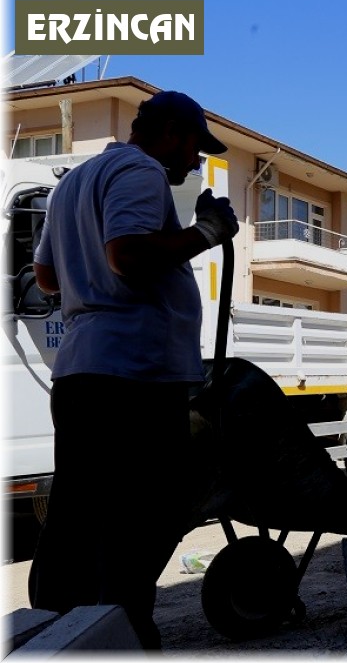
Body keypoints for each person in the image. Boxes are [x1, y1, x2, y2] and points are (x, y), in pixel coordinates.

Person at [28, 90, 239, 649]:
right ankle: (125, 634)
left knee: (78, 509)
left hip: (82, 371)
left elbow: (46, 276)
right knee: (142, 513)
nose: (196, 161)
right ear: (170, 131)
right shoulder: (141, 170)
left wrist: (87, 284)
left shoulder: (73, 182)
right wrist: (207, 233)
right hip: (134, 377)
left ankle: (56, 630)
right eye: (195, 146)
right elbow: (128, 255)